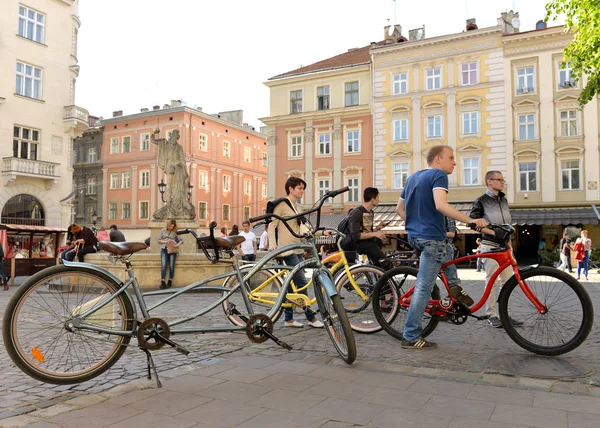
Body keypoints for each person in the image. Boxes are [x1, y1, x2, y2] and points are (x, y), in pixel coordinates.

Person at [397, 145, 487, 349]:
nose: (455, 162)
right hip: (430, 239)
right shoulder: (438, 175)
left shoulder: (412, 177)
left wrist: (415, 224)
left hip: (417, 236)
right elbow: (441, 205)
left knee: (447, 250)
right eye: (451, 158)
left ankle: (455, 289)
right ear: (438, 160)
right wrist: (471, 221)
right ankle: (410, 336)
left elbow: (399, 209)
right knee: (423, 288)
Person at [268, 177, 324, 328]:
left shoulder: (297, 207)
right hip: (286, 250)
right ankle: (311, 317)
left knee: (292, 287)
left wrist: (321, 233)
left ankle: (288, 319)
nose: (302, 191)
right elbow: (271, 225)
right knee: (302, 282)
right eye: (299, 188)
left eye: (303, 188)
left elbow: (303, 228)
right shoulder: (281, 205)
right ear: (291, 188)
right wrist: (273, 244)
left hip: (298, 249)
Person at [470, 171, 521, 329]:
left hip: (505, 248)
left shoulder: (503, 200)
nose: (502, 182)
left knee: (508, 283)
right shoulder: (481, 201)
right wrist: (493, 232)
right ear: (489, 182)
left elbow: (508, 227)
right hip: (490, 247)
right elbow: (473, 224)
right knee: (492, 282)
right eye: (499, 180)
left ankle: (503, 315)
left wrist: (510, 246)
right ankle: (491, 315)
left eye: (502, 179)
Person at [347, 187, 392, 270]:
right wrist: (375, 234)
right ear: (372, 199)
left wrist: (377, 228)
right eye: (377, 198)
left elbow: (367, 232)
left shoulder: (371, 212)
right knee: (385, 263)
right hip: (356, 243)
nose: (379, 200)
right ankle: (383, 274)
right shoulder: (357, 212)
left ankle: (376, 272)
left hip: (366, 242)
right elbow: (355, 235)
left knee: (378, 242)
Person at [157, 219, 183, 289]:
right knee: (164, 265)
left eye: (173, 226)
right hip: (164, 249)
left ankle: (170, 281)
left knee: (171, 265)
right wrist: (165, 241)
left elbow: (181, 240)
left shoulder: (175, 231)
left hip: (172, 250)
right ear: (168, 225)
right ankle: (163, 282)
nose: (171, 227)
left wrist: (177, 245)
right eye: (170, 226)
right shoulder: (163, 230)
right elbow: (158, 240)